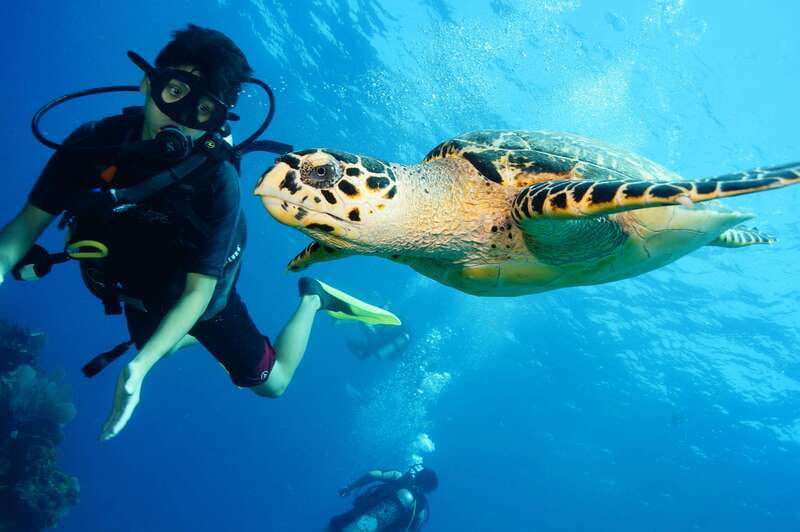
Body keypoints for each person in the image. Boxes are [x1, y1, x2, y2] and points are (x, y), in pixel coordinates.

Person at [0, 25, 399, 440]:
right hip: (137, 282)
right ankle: (173, 340)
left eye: (204, 110)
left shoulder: (216, 183)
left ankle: (314, 298)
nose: (181, 118)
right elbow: (27, 225)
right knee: (159, 343)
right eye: (174, 92)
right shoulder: (94, 143)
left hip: (201, 291)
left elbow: (198, 292)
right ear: (147, 82)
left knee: (272, 384)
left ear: (219, 118)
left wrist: (142, 367)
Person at [329, 465, 438, 531]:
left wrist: (350, 488)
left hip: (355, 516)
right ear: (429, 489)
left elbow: (372, 474)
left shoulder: (398, 476)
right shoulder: (420, 510)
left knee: (333, 525)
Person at [346, 323, 411, 361]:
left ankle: (360, 320)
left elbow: (384, 333)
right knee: (360, 349)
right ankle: (361, 357)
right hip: (377, 352)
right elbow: (393, 357)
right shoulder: (403, 343)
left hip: (376, 343)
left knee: (364, 325)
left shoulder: (399, 331)